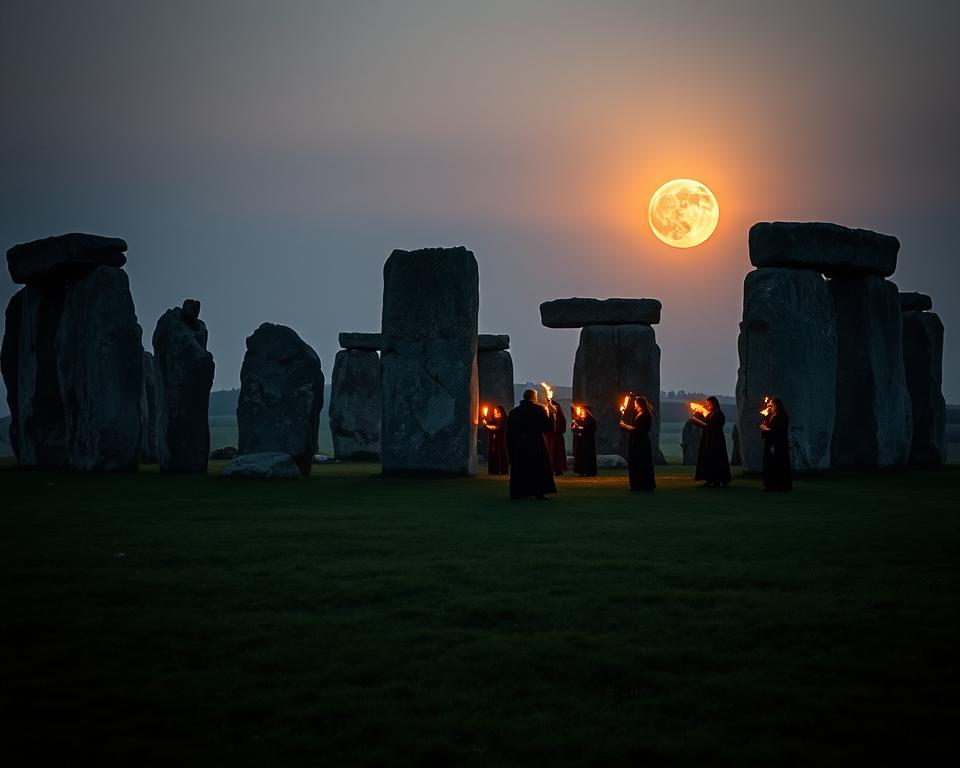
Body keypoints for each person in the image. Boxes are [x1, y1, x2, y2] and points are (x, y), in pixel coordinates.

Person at [506, 390, 557, 499]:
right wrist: (552, 414)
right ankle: (538, 492)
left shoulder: (514, 412)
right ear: (534, 397)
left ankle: (519, 492)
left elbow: (509, 432)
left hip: (519, 444)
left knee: (521, 468)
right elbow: (549, 428)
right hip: (535, 443)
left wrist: (510, 449)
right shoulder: (539, 410)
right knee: (537, 468)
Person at [689, 396, 732, 487]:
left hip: (716, 440)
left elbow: (712, 426)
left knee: (716, 459)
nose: (707, 405)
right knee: (708, 459)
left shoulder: (719, 414)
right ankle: (709, 479)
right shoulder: (711, 413)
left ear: (714, 403)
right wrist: (697, 418)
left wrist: (698, 422)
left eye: (709, 403)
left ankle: (717, 480)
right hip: (709, 438)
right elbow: (707, 422)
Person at [618, 395, 656, 491]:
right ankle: (638, 484)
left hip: (641, 443)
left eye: (635, 403)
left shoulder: (644, 415)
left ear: (640, 404)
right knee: (637, 463)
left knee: (640, 464)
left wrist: (624, 425)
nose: (634, 405)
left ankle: (641, 485)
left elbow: (637, 429)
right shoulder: (641, 414)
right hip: (638, 441)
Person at [760, 397, 792, 491]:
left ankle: (778, 485)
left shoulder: (781, 416)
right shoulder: (773, 415)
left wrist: (766, 429)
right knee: (771, 464)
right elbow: (772, 427)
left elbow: (778, 430)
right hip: (772, 443)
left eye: (773, 405)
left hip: (778, 444)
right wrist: (765, 427)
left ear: (777, 406)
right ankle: (771, 484)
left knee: (777, 464)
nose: (771, 407)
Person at [570, 405, 598, 477]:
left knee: (587, 456)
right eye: (581, 410)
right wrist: (574, 427)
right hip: (580, 441)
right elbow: (574, 428)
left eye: (583, 410)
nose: (582, 412)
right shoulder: (579, 419)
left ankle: (588, 471)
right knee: (580, 456)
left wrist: (581, 429)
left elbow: (591, 429)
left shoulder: (591, 420)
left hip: (588, 441)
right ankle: (580, 471)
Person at [482, 404, 509, 476]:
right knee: (493, 455)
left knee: (500, 455)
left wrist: (488, 426)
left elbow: (498, 429)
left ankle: (502, 470)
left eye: (497, 411)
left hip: (501, 441)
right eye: (494, 411)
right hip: (493, 441)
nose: (495, 412)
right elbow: (490, 424)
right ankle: (493, 471)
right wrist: (485, 422)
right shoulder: (494, 419)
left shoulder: (504, 420)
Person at [548, 399, 568, 476]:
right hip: (550, 438)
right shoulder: (549, 416)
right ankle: (551, 469)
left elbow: (562, 428)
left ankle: (559, 470)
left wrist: (556, 430)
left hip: (557, 438)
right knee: (551, 453)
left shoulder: (561, 417)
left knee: (558, 454)